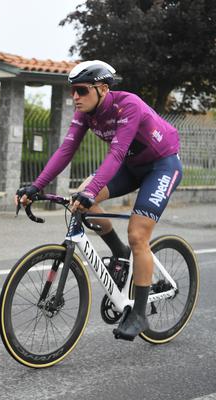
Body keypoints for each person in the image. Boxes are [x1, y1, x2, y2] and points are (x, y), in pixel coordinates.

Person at [16, 60, 182, 341]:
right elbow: (66, 150)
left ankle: (139, 313)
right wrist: (36, 186)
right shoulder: (85, 114)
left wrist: (91, 190)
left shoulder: (128, 105)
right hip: (131, 167)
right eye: (72, 92)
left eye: (81, 90)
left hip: (161, 165)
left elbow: (116, 154)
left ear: (103, 88)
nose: (75, 97)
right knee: (83, 200)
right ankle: (120, 253)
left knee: (137, 234)